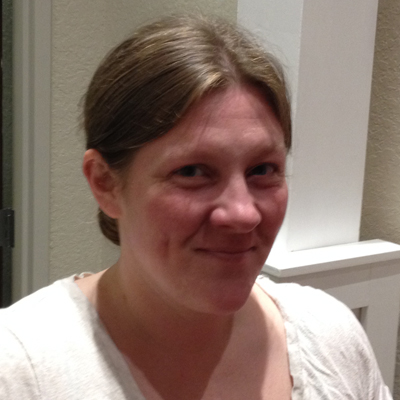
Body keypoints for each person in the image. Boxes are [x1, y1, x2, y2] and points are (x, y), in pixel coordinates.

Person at [0, 15, 392, 400]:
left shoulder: (330, 336)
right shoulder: (21, 371)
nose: (243, 214)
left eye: (262, 169)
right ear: (105, 183)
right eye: (191, 172)